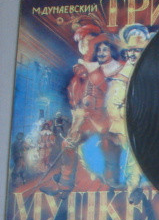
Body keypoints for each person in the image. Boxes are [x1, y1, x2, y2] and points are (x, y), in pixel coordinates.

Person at [41, 35, 123, 196]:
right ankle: (65, 185)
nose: (101, 53)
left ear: (111, 52)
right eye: (99, 50)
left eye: (105, 50)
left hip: (110, 118)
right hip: (90, 117)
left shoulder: (120, 70)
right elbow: (85, 99)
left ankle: (112, 179)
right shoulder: (91, 72)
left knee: (110, 144)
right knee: (68, 144)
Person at [105, 23, 151, 204]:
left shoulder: (151, 68)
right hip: (131, 121)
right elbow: (116, 99)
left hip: (153, 120)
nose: (132, 54)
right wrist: (122, 113)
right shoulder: (125, 72)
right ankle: (133, 188)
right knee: (134, 154)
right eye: (129, 50)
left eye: (137, 50)